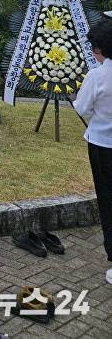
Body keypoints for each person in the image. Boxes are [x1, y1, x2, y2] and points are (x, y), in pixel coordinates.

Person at [74, 21, 112, 285]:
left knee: (108, 202)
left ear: (99, 49)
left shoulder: (97, 76)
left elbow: (82, 108)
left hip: (103, 146)